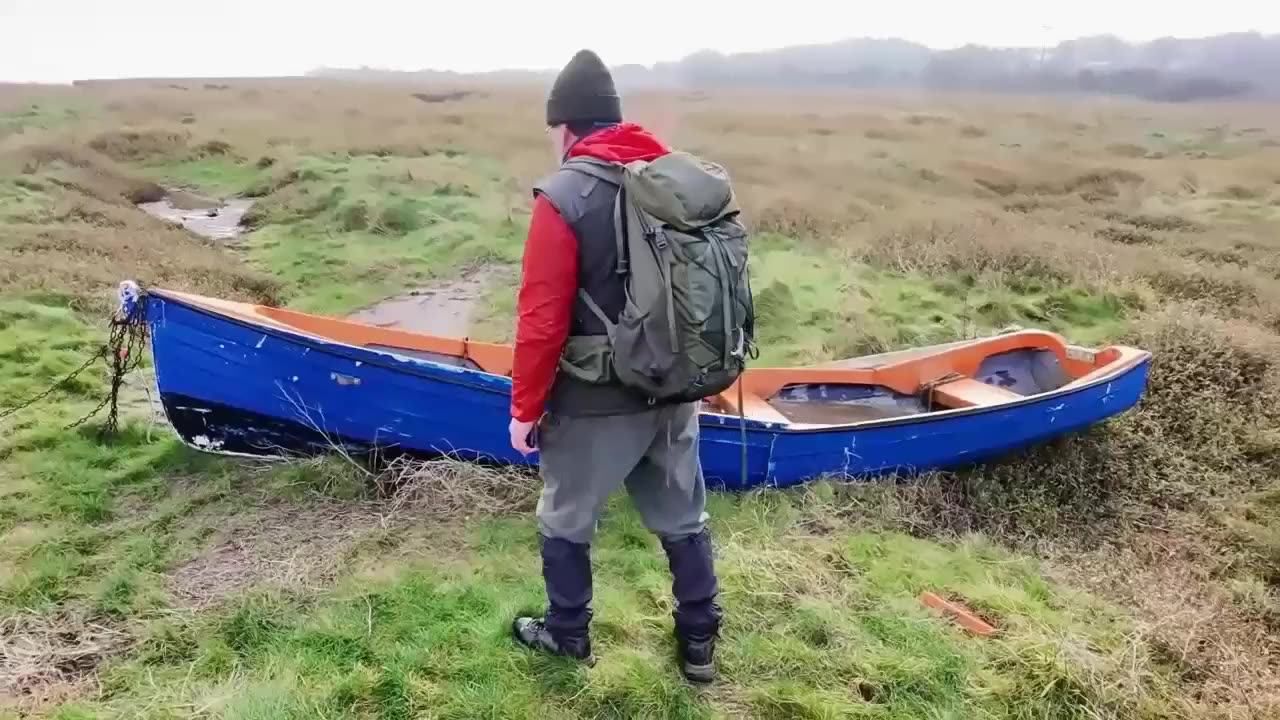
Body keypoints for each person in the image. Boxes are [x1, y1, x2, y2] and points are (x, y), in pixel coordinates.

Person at [506, 49, 723, 683]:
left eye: (554, 131)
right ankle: (700, 646)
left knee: (565, 518)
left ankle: (568, 636)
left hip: (597, 398)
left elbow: (542, 320)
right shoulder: (671, 179)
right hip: (677, 386)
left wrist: (525, 410)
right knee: (684, 516)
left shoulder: (563, 196)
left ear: (566, 128)